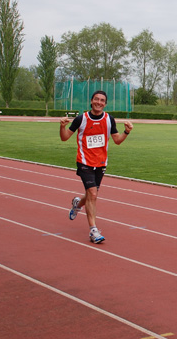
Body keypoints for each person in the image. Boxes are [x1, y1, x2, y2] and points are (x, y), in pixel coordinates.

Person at [59, 90, 133, 244]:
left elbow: (117, 140)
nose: (99, 102)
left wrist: (127, 131)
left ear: (105, 104)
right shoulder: (81, 119)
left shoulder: (109, 120)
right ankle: (93, 230)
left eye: (102, 100)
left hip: (101, 163)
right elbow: (65, 138)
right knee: (92, 193)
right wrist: (62, 127)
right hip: (84, 161)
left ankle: (77, 204)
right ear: (91, 101)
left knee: (92, 194)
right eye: (96, 99)